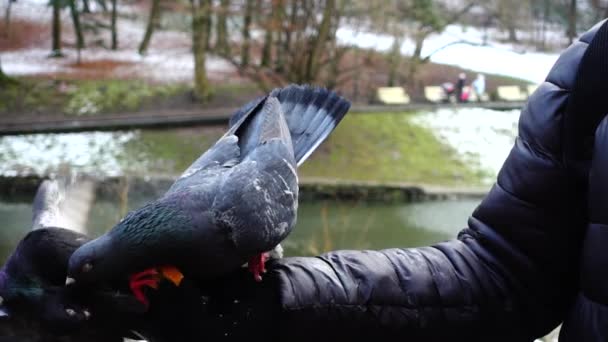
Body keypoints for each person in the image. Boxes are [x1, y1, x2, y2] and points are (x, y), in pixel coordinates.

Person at [3, 18, 608, 342]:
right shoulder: (595, 68)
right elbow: (505, 277)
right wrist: (279, 306)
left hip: (256, 170)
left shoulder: (241, 220)